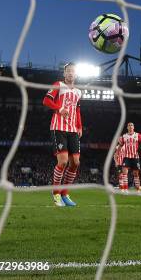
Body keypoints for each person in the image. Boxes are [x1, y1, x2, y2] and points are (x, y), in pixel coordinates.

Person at [43, 62, 82, 207]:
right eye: (68, 71)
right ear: (64, 74)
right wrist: (59, 109)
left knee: (75, 163)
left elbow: (77, 111)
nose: (70, 73)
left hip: (73, 130)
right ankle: (56, 193)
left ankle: (65, 193)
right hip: (58, 128)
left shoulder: (78, 92)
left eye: (73, 71)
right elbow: (46, 100)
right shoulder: (58, 85)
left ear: (76, 75)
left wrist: (79, 126)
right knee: (63, 161)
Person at [118, 122, 141, 195]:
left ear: (133, 127)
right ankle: (125, 190)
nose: (130, 126)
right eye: (129, 125)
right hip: (126, 156)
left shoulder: (137, 135)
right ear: (127, 127)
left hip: (135, 157)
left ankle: (138, 190)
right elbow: (120, 145)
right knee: (124, 172)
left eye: (132, 125)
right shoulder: (124, 136)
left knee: (136, 174)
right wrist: (118, 153)